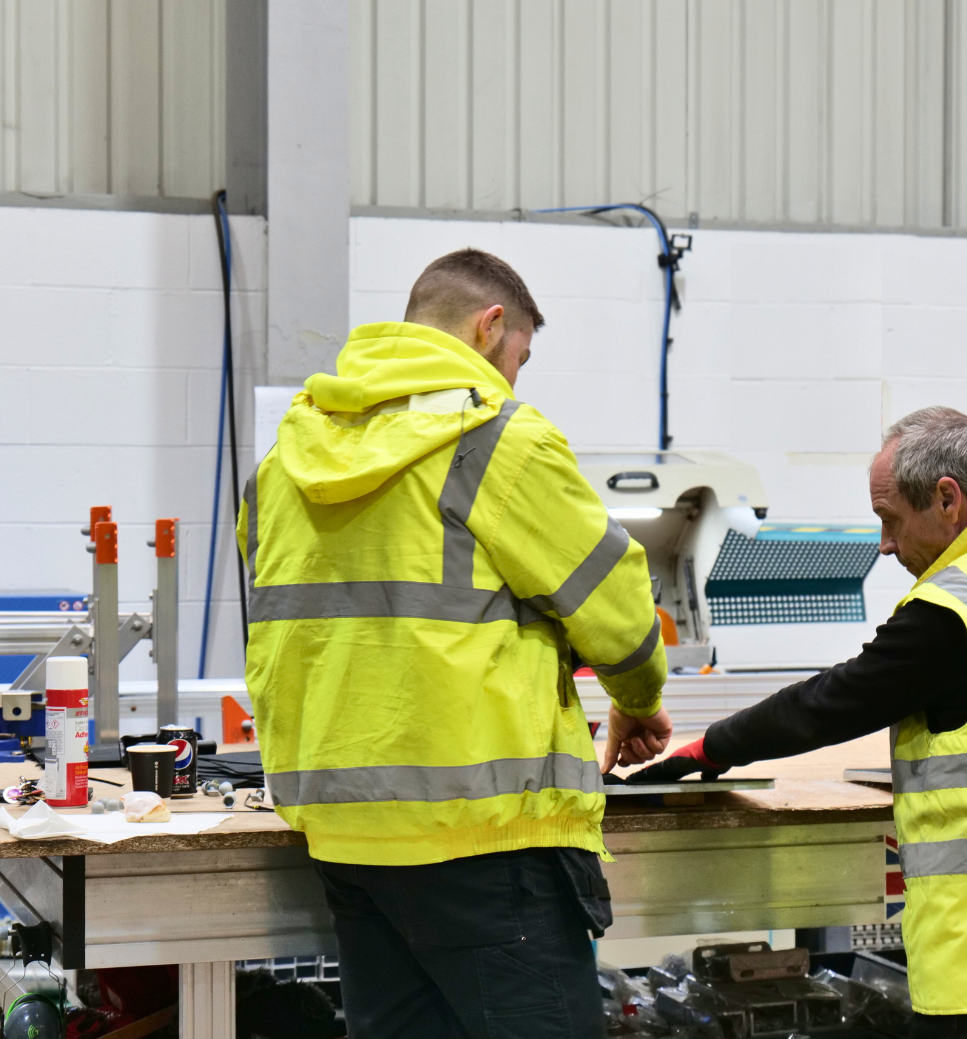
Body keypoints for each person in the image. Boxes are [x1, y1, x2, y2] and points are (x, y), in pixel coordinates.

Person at [237, 247, 672, 1038]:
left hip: (348, 842)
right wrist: (637, 700)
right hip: (486, 841)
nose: (514, 381)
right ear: (490, 326)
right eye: (519, 359)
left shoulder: (284, 463)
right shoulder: (497, 440)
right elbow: (617, 609)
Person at [631, 406, 967, 1038]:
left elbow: (828, 704)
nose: (884, 543)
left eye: (890, 518)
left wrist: (710, 748)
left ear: (948, 500)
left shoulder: (956, 611)